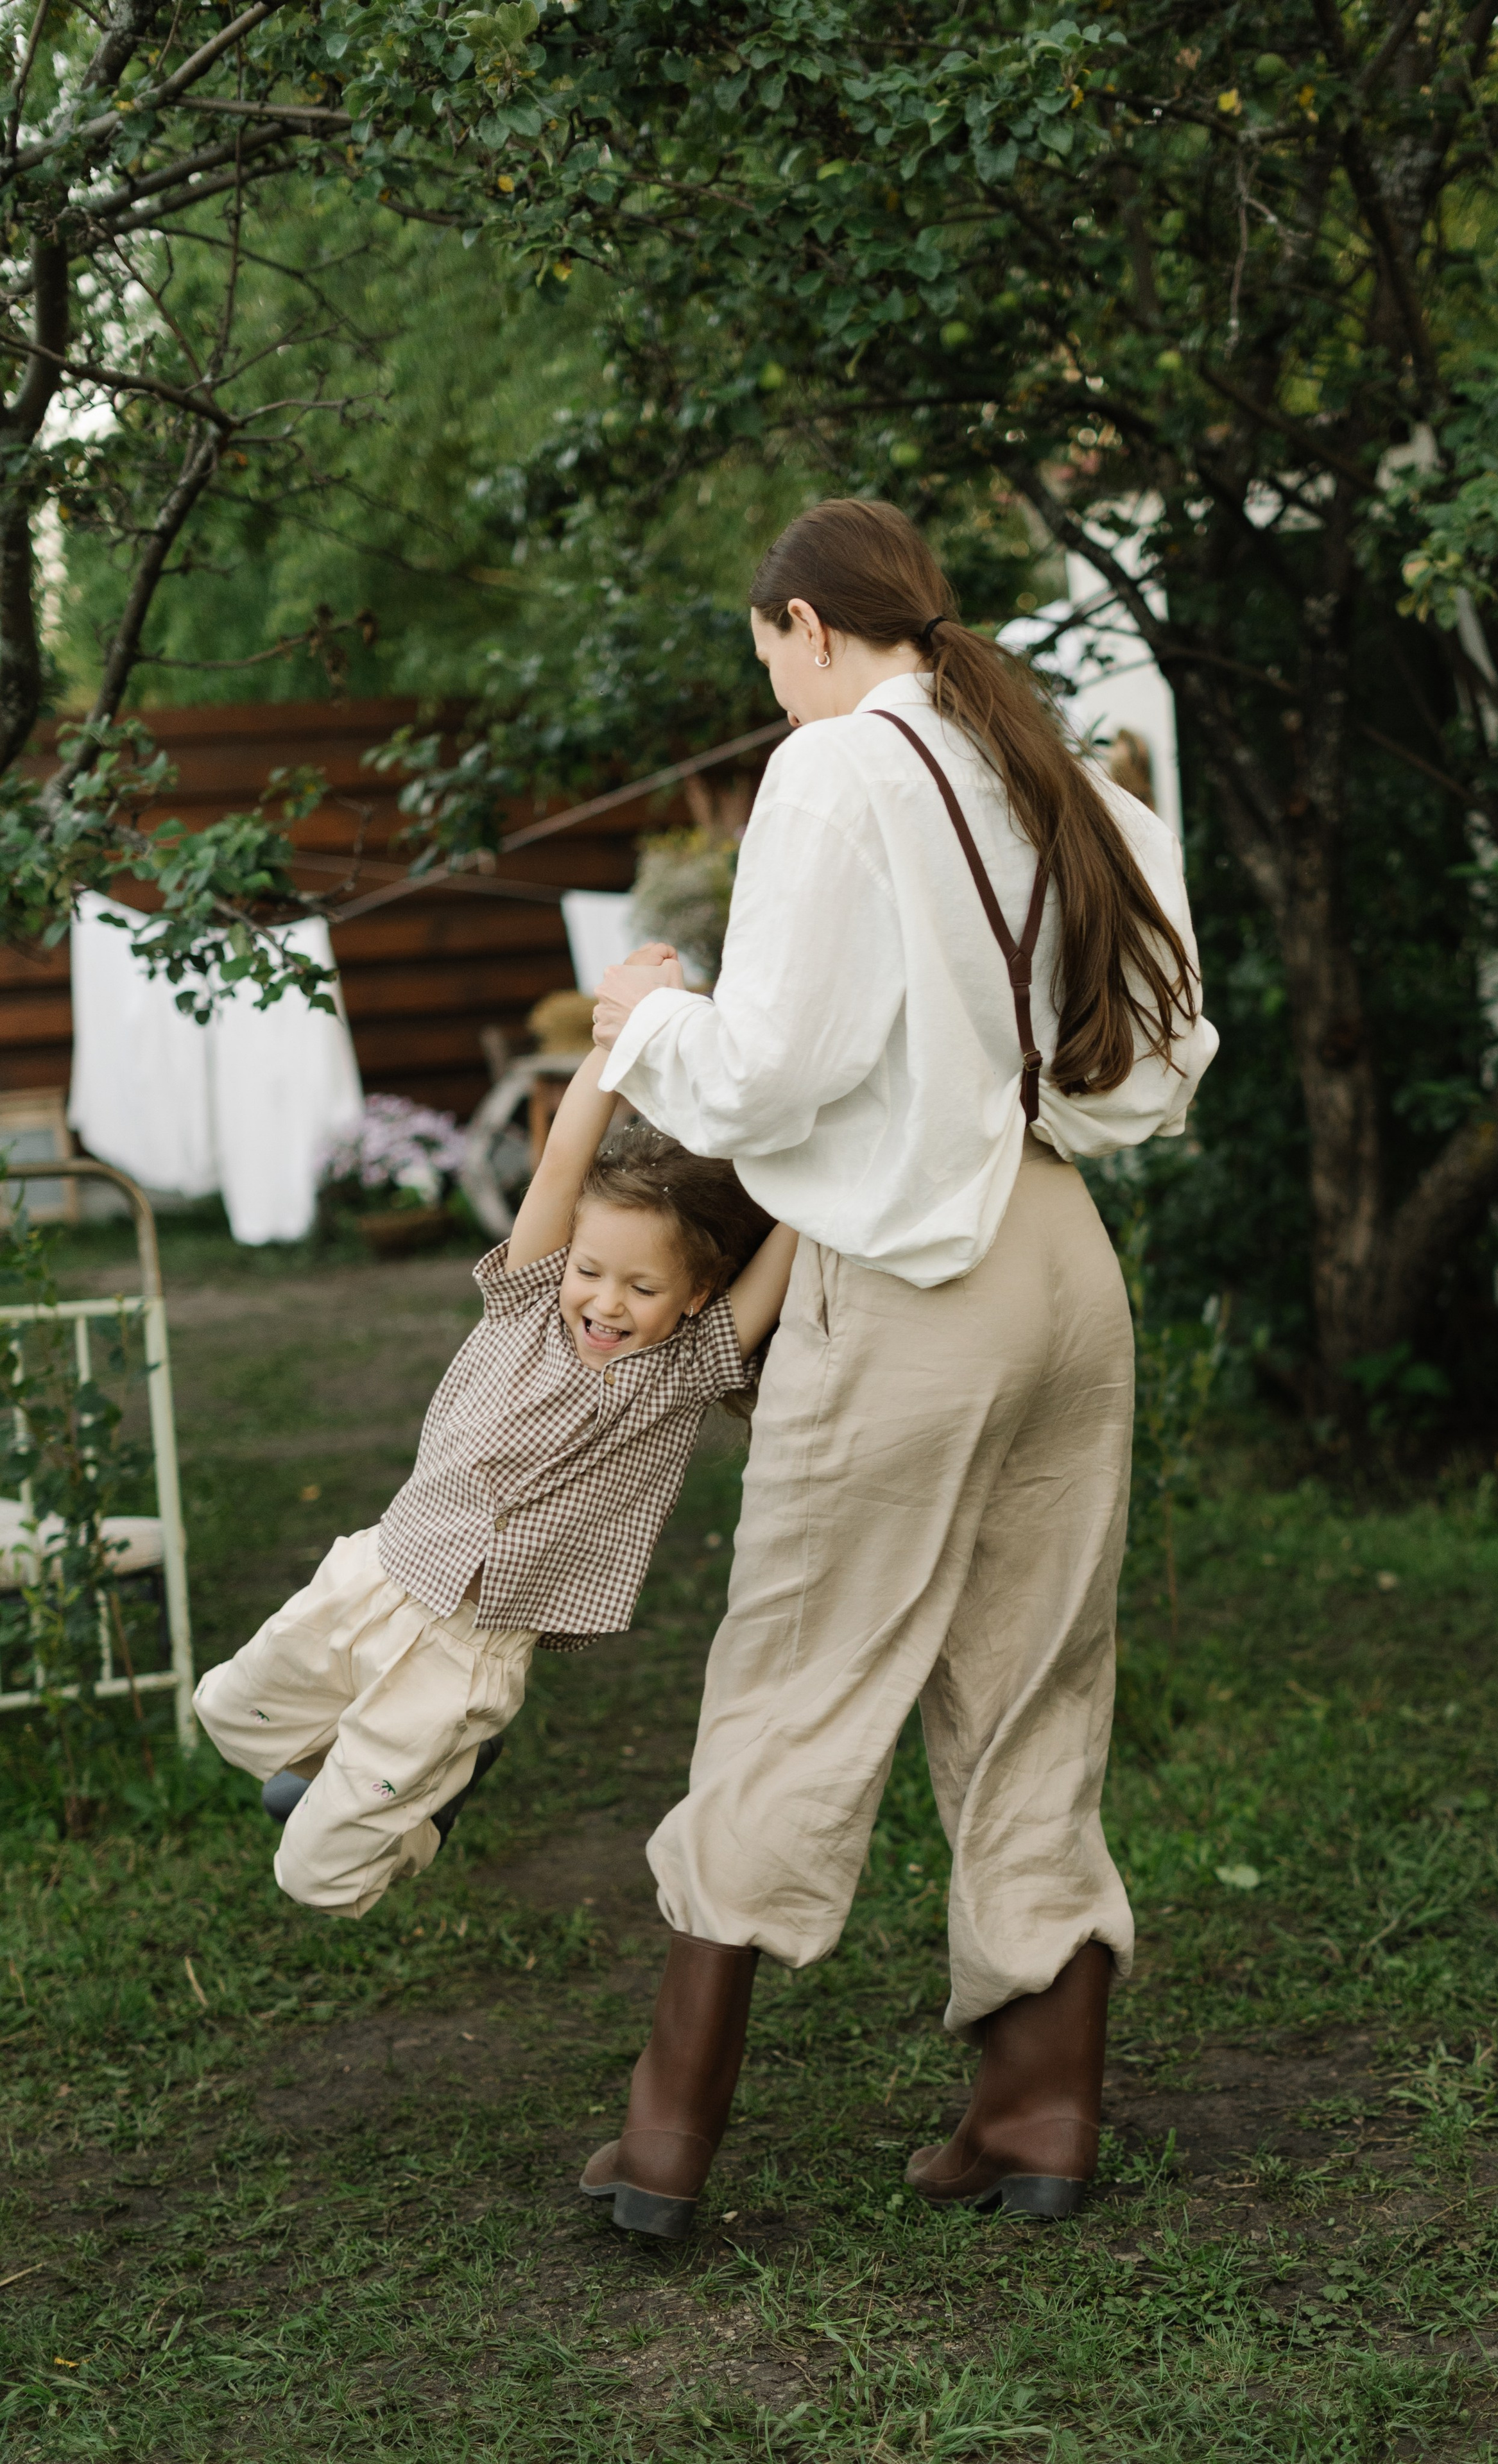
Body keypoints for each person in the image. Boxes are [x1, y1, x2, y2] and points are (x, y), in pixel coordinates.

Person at [577, 499, 1219, 2242]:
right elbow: (1163, 1060)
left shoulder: (839, 767)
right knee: (1036, 1691)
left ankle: (663, 2144)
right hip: (1064, 1261)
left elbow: (771, 1076)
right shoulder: (1063, 769)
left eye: (765, 648)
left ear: (804, 624)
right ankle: (1039, 2108)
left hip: (910, 1280)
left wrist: (640, 1020)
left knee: (796, 1677)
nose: (772, 677)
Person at [194, 1027, 798, 1921]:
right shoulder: (527, 1302)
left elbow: (790, 1248)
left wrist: (824, 1173)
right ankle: (382, 1779)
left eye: (641, 1286)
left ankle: (424, 1794)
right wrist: (614, 1043)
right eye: (592, 1271)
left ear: (696, 1297)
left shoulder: (684, 1375)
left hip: (469, 1650)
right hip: (377, 1575)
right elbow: (562, 1163)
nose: (605, 1300)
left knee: (312, 1875)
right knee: (224, 1711)